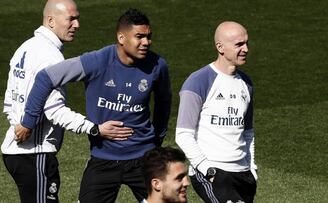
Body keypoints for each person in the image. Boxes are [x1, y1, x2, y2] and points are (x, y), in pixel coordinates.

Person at [14, 8, 172, 203]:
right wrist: (28, 122)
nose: (146, 42)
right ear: (121, 38)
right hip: (102, 159)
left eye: (149, 36)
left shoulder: (158, 65)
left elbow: (164, 102)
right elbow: (45, 77)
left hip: (143, 158)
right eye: (139, 37)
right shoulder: (97, 61)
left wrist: (156, 141)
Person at [0, 0, 115, 202]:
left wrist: (17, 125)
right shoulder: (51, 57)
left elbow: (10, 99)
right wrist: (94, 129)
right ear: (51, 21)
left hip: (16, 150)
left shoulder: (25, 48)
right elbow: (55, 111)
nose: (77, 25)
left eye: (77, 19)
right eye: (71, 19)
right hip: (35, 155)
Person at [175, 21, 258, 203]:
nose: (245, 49)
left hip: (243, 175)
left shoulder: (246, 83)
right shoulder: (198, 82)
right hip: (213, 173)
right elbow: (183, 134)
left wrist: (252, 168)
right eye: (239, 44)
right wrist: (208, 170)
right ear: (220, 47)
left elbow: (247, 132)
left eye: (246, 43)